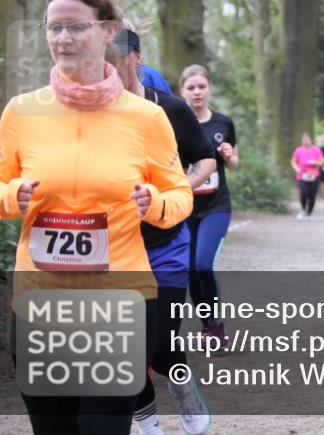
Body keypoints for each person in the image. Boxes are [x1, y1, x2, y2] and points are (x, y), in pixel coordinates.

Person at [0, 0, 193, 435]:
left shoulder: (147, 117)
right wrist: (10, 196)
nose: (63, 39)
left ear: (107, 32)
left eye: (76, 27)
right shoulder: (22, 112)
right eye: (53, 28)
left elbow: (180, 197)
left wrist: (153, 202)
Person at [105, 26, 216, 435]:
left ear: (137, 58)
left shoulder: (169, 109)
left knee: (162, 342)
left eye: (116, 55)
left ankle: (182, 386)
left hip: (165, 242)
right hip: (114, 247)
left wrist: (175, 191)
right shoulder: (90, 114)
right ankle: (146, 420)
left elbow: (206, 160)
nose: (107, 65)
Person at [179, 64, 239, 345]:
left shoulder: (223, 123)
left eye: (201, 86)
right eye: (191, 87)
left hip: (216, 205)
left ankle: (216, 324)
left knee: (203, 263)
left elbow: (235, 163)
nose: (197, 92)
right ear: (182, 92)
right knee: (190, 269)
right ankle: (208, 327)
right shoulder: (176, 121)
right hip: (186, 206)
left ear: (209, 89)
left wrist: (228, 155)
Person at [291, 133, 324, 220]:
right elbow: (293, 161)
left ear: (310, 140)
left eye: (307, 140)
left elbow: (321, 161)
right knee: (304, 192)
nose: (305, 142)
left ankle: (308, 213)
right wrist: (297, 169)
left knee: (312, 195)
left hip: (314, 175)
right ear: (301, 141)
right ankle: (303, 209)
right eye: (304, 140)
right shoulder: (298, 151)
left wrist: (315, 162)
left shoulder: (316, 150)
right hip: (302, 175)